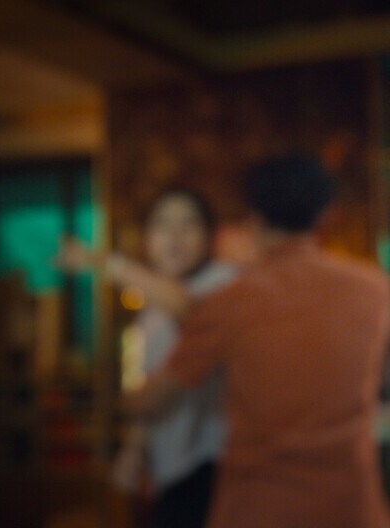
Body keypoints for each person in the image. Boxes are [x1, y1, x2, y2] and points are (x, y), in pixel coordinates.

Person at [128, 155, 390, 528]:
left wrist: (127, 402)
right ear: (327, 215)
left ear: (254, 220)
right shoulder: (374, 291)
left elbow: (154, 399)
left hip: (257, 508)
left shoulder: (230, 303)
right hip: (351, 510)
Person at [59, 187, 236, 528]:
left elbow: (188, 308)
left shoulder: (223, 282)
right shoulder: (150, 310)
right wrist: (134, 450)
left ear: (209, 236)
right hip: (172, 470)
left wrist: (101, 262)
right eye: (162, 225)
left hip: (216, 467)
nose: (175, 237)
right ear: (148, 237)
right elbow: (152, 389)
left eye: (188, 224)